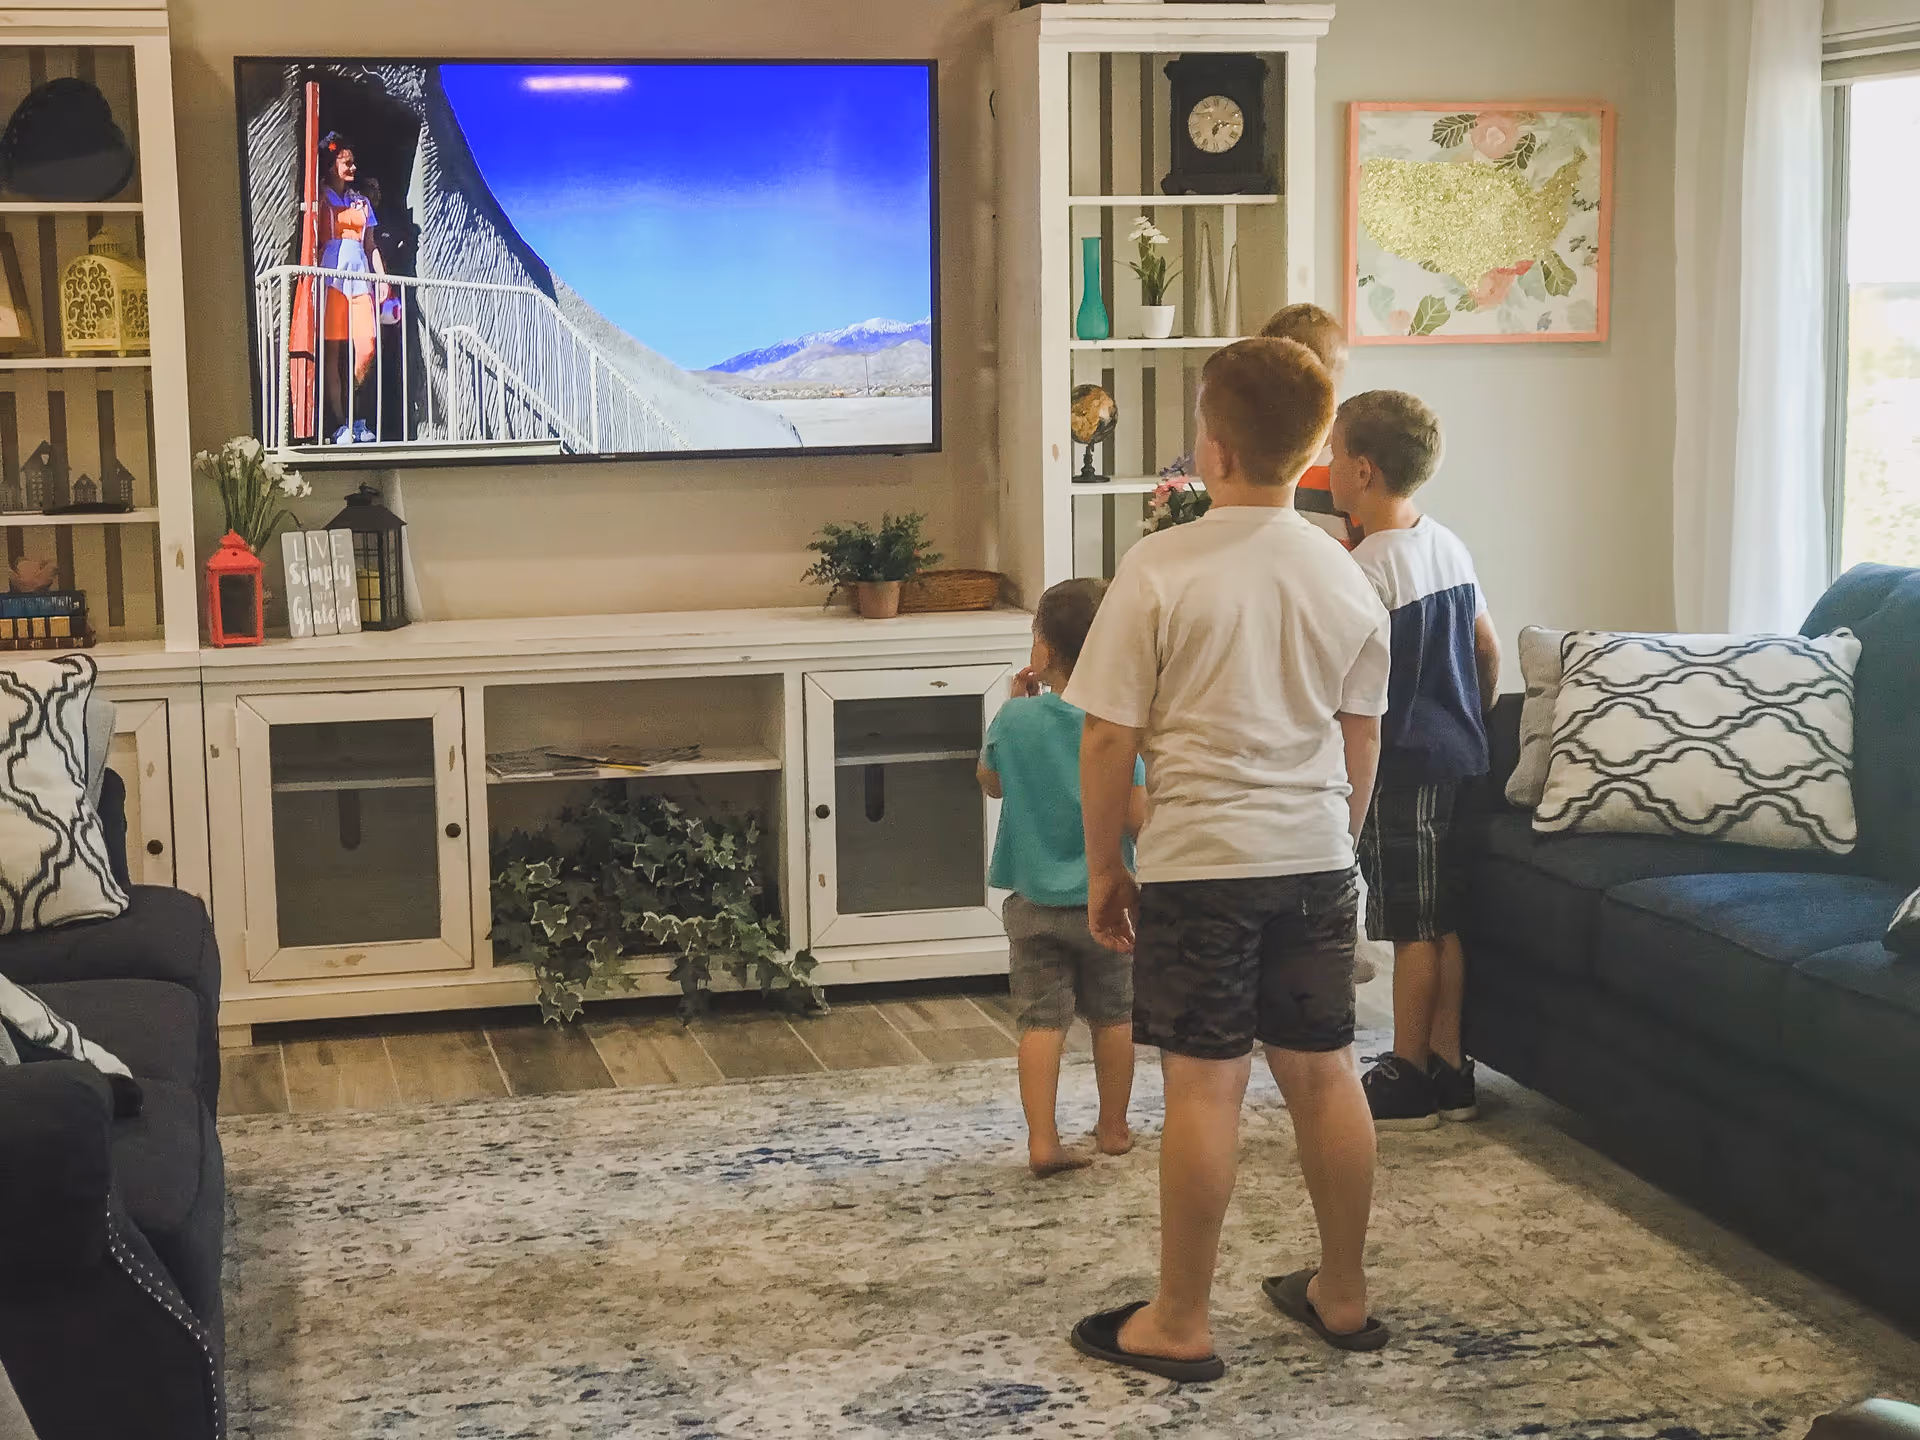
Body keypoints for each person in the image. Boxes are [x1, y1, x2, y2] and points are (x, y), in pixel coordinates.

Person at [1065, 338, 1395, 1382]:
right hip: (1311, 859)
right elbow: (1363, 734)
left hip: (1202, 860)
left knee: (1206, 1090)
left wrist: (1109, 865)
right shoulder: (1345, 578)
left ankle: (1179, 1319)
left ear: (1211, 447)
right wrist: (1337, 850)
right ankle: (1342, 1295)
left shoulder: (1160, 566)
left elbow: (1108, 736)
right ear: (1310, 455)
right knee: (1326, 1074)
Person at [1327, 391, 1501, 1131]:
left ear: (1362, 471)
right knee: (1445, 919)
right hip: (1462, 754)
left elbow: (1346, 687)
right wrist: (1474, 718)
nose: (1328, 470)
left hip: (1403, 766)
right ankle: (1450, 1066)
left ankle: (1405, 1075)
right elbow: (1486, 648)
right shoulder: (1447, 543)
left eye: (1334, 457)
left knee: (1410, 927)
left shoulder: (1366, 568)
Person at [978, 579, 1147, 1178]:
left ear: (1043, 651)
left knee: (1040, 1021)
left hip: (1033, 904)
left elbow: (990, 782)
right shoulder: (1119, 724)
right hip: (1109, 903)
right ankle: (1114, 1127)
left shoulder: (1013, 720)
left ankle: (1043, 1140)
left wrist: (1018, 703)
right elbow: (1135, 815)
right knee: (1114, 1016)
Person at [316, 132, 389, 445]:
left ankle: (355, 413)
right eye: (347, 163)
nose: (353, 168)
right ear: (333, 166)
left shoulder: (360, 201)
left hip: (359, 277)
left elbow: (370, 245)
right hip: (331, 277)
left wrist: (382, 278)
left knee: (367, 346)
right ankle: (341, 422)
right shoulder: (319, 195)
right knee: (332, 350)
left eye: (353, 163)